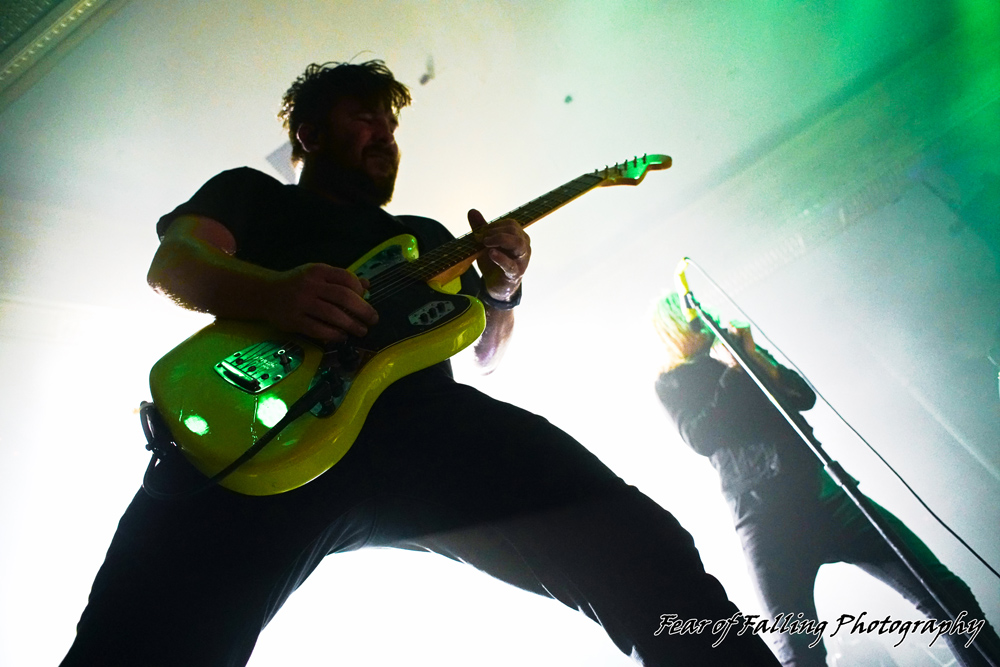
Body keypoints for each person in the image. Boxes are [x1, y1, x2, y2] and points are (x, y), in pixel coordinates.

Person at [60, 61, 783, 667]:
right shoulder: (252, 194)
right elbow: (175, 262)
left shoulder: (423, 237)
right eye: (365, 116)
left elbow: (488, 354)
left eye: (392, 123)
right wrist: (274, 293)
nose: (385, 133)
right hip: (262, 427)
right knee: (136, 646)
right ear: (309, 132)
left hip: (421, 430)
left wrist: (501, 286)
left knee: (638, 542)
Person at [652, 291, 1000, 667]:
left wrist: (752, 358)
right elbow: (701, 437)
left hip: (826, 495)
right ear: (673, 327)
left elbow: (802, 396)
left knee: (945, 592)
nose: (705, 321)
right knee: (799, 649)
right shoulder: (673, 383)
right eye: (692, 317)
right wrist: (736, 369)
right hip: (766, 521)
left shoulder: (740, 358)